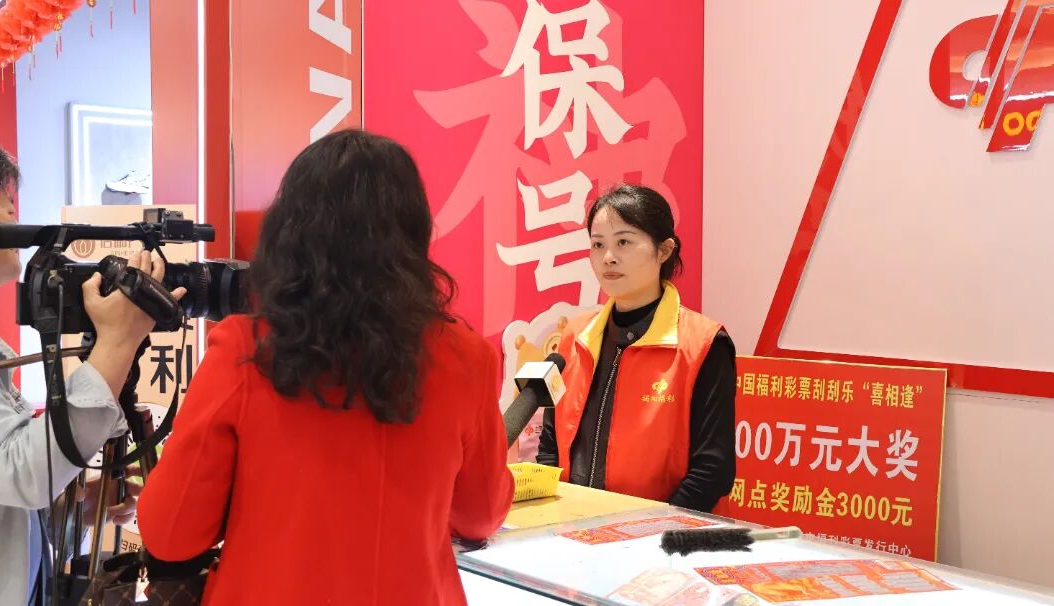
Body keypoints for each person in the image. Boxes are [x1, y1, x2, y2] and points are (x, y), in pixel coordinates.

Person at [138, 129, 514, 605]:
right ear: (413, 231)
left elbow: (171, 532)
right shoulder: (466, 356)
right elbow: (481, 514)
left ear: (288, 231)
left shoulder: (245, 350)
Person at [0, 135, 184, 605]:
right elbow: (20, 473)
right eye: (7, 208)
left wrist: (74, 514)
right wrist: (117, 341)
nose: (17, 221)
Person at [537, 184, 736, 512]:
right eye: (598, 244)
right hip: (571, 530)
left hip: (664, 537)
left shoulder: (704, 344)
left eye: (624, 242)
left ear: (664, 250)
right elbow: (550, 446)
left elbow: (712, 472)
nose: (608, 257)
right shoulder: (575, 335)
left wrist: (654, 532)